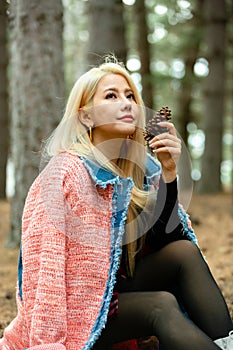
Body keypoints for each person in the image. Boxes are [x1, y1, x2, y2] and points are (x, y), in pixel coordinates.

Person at [0, 55, 232, 350]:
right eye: (111, 95)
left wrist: (169, 173)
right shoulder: (65, 173)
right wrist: (49, 343)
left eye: (130, 96)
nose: (127, 103)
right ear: (85, 116)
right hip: (77, 313)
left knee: (183, 252)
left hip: (111, 292)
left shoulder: (139, 168)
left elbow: (166, 239)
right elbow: (46, 270)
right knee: (159, 305)